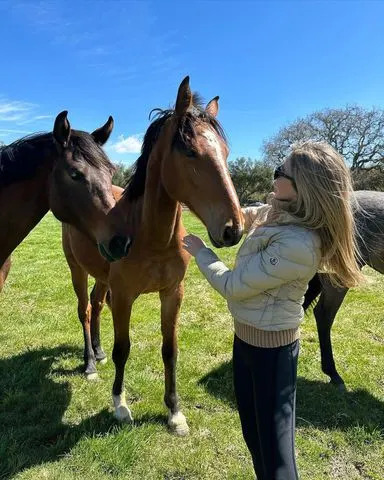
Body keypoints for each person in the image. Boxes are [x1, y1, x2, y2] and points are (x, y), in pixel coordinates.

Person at [182, 141, 364, 480]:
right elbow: (248, 215)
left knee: (277, 457)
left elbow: (233, 286)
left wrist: (202, 252)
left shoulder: (298, 243)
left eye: (280, 172)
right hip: (246, 341)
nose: (273, 175)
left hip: (272, 353)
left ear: (301, 188)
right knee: (254, 438)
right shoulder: (276, 211)